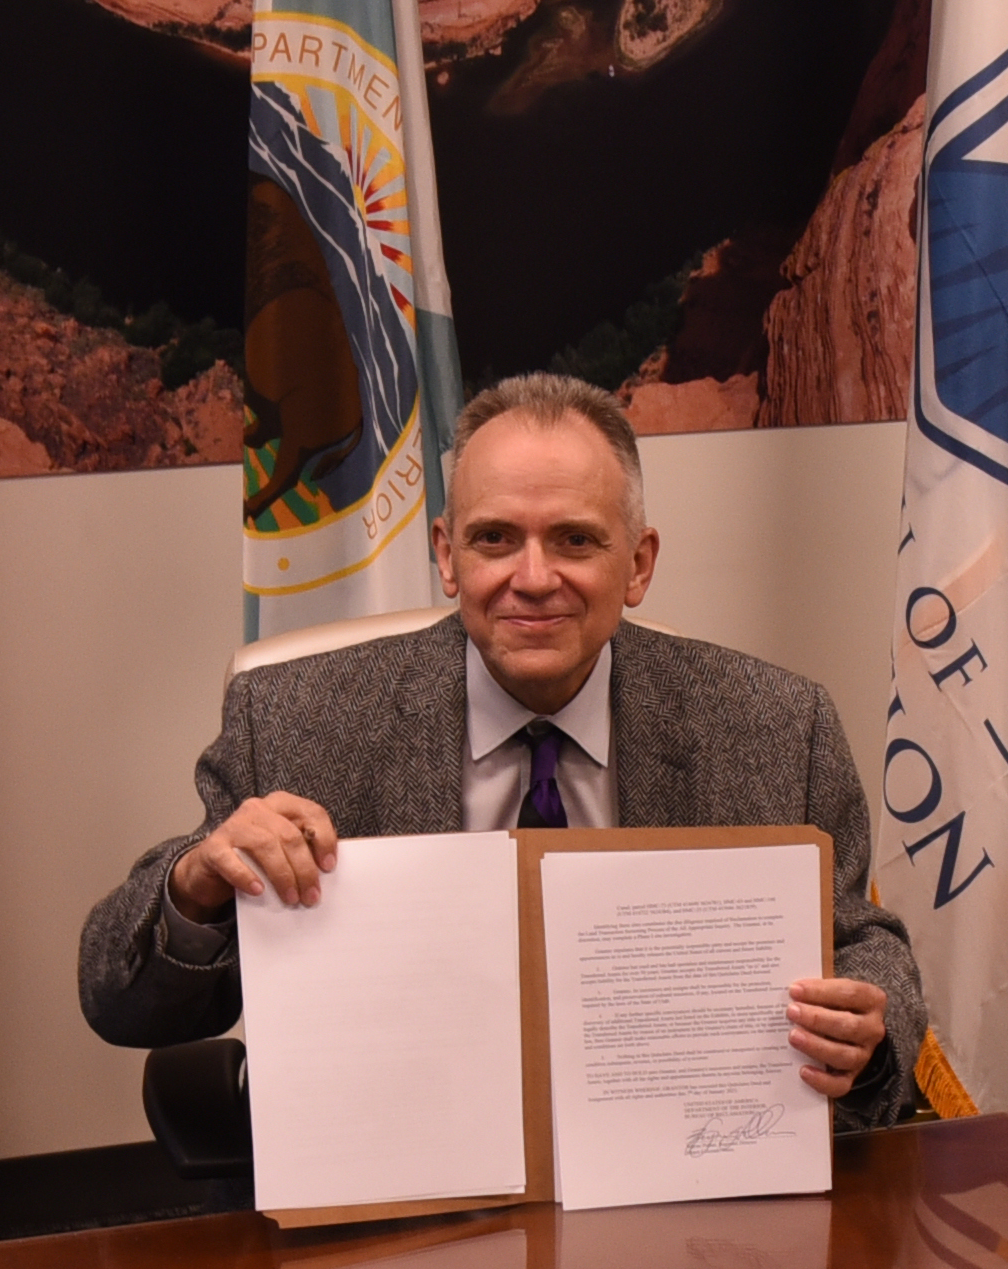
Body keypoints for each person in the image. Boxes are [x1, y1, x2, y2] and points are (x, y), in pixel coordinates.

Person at [80, 373, 925, 1130]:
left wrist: (865, 1031)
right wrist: (195, 885)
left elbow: (867, 944)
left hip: (680, 1192)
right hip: (397, 1204)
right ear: (447, 556)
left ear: (639, 563)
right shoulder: (296, 719)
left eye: (574, 540)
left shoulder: (776, 725)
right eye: (494, 540)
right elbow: (119, 1002)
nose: (532, 577)